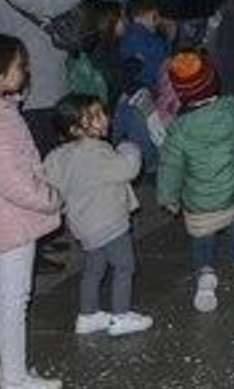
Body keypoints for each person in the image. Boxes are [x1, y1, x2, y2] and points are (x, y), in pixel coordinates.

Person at [0, 34, 65, 389]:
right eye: (19, 66)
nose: (25, 71)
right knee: (14, 300)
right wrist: (51, 199)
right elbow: (13, 179)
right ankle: (15, 382)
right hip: (10, 222)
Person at [156, 51, 234, 312]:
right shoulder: (230, 109)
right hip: (233, 193)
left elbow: (170, 167)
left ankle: (206, 277)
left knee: (202, 239)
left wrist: (168, 197)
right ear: (213, 80)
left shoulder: (180, 128)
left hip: (200, 202)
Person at [41, 94, 152, 338]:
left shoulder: (58, 156)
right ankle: (121, 316)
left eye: (102, 112)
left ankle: (88, 315)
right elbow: (128, 169)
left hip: (84, 227)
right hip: (110, 223)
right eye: (95, 116)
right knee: (125, 266)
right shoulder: (98, 151)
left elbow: (49, 185)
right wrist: (129, 148)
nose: (105, 119)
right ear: (75, 128)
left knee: (94, 269)